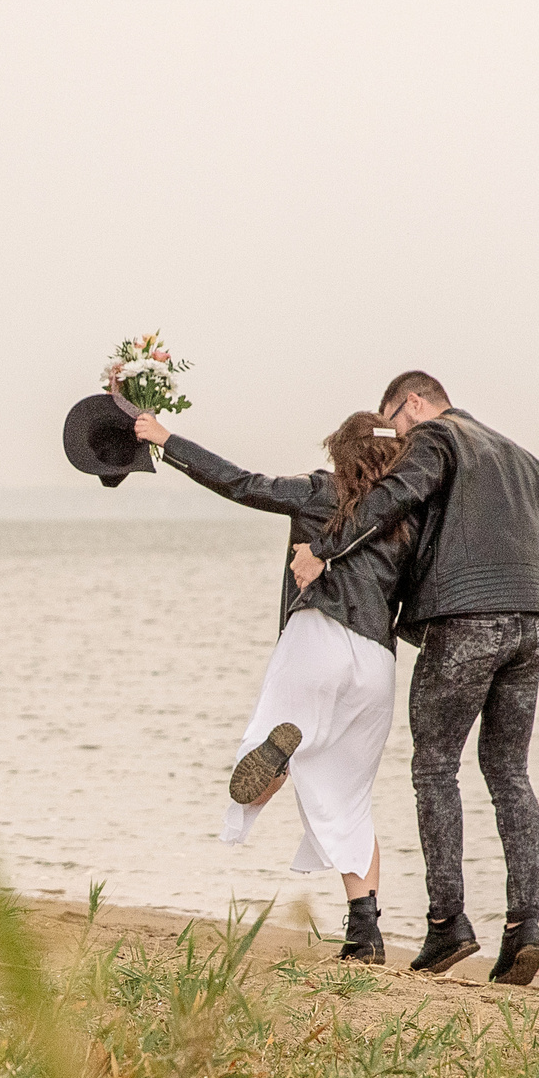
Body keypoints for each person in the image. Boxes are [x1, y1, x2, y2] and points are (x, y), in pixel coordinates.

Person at [289, 371, 539, 986]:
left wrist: (324, 547)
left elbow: (388, 500)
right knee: (510, 773)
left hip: (465, 620)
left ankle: (448, 925)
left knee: (435, 767)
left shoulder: (435, 438)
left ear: (413, 403)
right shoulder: (527, 460)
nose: (393, 441)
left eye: (394, 423)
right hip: (535, 622)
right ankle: (525, 927)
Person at [133, 407, 415, 962]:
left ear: (340, 451)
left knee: (270, 736)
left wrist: (168, 440)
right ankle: (366, 932)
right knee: (350, 796)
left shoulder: (319, 491)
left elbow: (240, 483)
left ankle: (274, 765)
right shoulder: (410, 516)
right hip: (377, 661)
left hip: (318, 637)